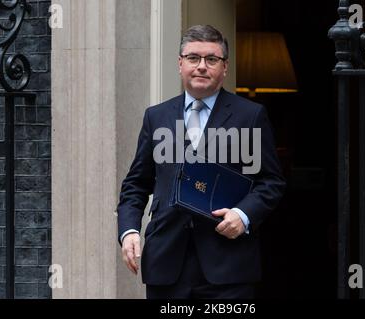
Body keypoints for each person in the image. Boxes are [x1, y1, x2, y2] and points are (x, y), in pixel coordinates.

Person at [117, 25, 285, 299]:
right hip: (166, 263)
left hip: (228, 265)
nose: (201, 67)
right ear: (180, 63)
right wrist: (129, 231)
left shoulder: (250, 116)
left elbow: (271, 182)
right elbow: (136, 184)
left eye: (211, 59)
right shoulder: (156, 117)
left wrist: (243, 216)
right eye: (193, 58)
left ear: (225, 67)